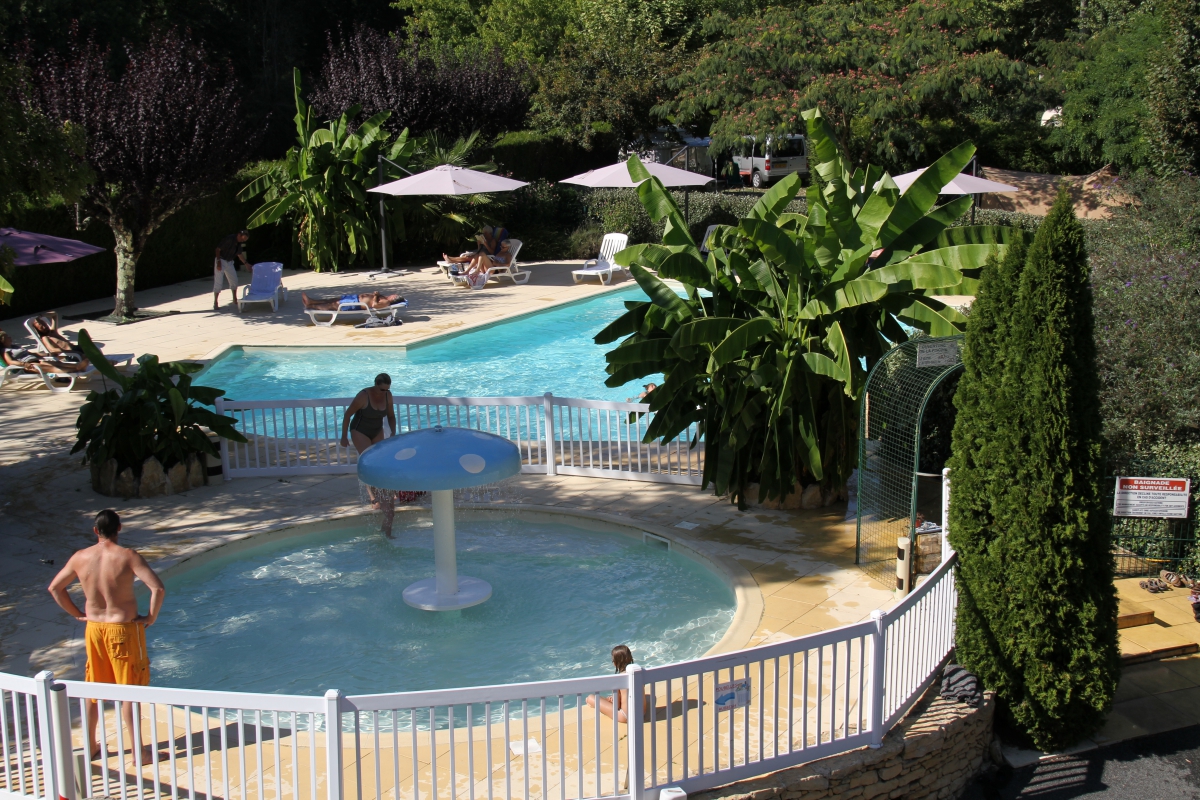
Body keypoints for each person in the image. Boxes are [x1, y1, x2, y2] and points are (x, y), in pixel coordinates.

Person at [47, 510, 166, 763]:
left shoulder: (80, 557)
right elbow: (157, 588)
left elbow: (55, 588)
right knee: (129, 690)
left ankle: (90, 746)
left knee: (93, 687)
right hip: (123, 629)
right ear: (119, 528)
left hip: (95, 630)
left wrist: (78, 614)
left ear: (95, 531)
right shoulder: (127, 557)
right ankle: (138, 753)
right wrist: (150, 618)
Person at [341, 373, 399, 536]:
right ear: (375, 385)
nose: (383, 392)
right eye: (381, 389)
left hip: (376, 429)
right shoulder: (363, 396)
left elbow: (391, 416)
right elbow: (348, 415)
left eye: (386, 389)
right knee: (369, 459)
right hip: (360, 430)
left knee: (380, 461)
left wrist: (393, 433)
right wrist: (343, 436)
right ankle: (375, 495)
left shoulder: (388, 396)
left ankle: (384, 495)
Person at [585, 645, 650, 723]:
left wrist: (612, 700)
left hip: (625, 716)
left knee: (590, 698)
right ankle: (607, 699)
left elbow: (617, 706)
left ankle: (600, 700)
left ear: (615, 663)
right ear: (631, 658)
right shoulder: (639, 673)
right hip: (642, 713)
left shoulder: (618, 679)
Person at [2, 331, 90, 373]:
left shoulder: (15, 347)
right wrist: (24, 364)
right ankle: (76, 369)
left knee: (57, 363)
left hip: (35, 359)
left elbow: (32, 353)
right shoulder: (5, 351)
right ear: (3, 341)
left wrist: (46, 354)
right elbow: (10, 361)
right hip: (28, 366)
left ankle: (78, 366)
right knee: (52, 369)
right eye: (7, 337)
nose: (10, 337)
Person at [214, 230, 251, 311]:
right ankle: (215, 302)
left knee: (234, 280)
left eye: (244, 240)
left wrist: (246, 264)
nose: (243, 241)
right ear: (239, 235)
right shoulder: (229, 239)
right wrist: (218, 262)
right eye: (243, 239)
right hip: (221, 260)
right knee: (218, 281)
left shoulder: (239, 243)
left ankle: (235, 299)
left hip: (229, 262)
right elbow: (218, 249)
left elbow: (239, 254)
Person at [301, 292, 404, 311]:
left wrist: (376, 295)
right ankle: (311, 301)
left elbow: (374, 305)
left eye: (395, 295)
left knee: (333, 305)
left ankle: (311, 307)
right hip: (354, 298)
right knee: (332, 300)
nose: (393, 294)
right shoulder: (385, 297)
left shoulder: (386, 302)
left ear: (394, 298)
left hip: (356, 304)